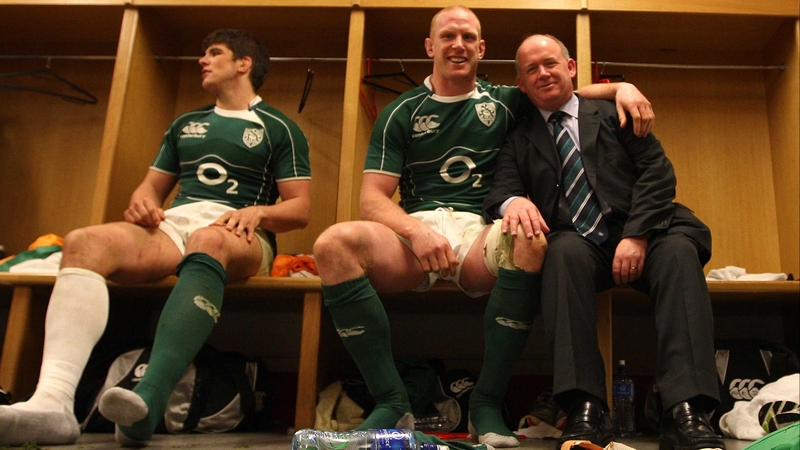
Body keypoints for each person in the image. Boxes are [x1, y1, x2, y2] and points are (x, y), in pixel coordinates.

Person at [312, 5, 654, 448]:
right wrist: (416, 232)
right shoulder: (401, 111)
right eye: (449, 36)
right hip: (414, 233)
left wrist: (621, 88)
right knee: (332, 244)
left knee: (531, 237)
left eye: (469, 37)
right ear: (430, 46)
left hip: (479, 232)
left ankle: (486, 404)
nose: (459, 45)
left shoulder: (504, 101)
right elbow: (372, 199)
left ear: (482, 47)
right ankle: (390, 401)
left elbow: (560, 92)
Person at [0, 28, 311, 447]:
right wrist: (142, 205)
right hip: (172, 226)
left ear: (244, 64)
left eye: (214, 53)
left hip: (238, 234)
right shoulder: (186, 123)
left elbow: (300, 209)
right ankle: (52, 402)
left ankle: (147, 401)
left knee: (209, 239)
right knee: (82, 241)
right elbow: (150, 189)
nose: (203, 60)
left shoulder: (279, 127)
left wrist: (259, 211)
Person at [483, 34, 725, 450]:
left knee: (681, 255)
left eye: (551, 63)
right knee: (560, 254)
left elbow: (658, 173)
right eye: (531, 70)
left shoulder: (615, 112)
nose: (543, 73)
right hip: (579, 242)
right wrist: (514, 200)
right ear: (520, 84)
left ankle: (686, 409)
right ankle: (584, 408)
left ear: (571, 68)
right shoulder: (518, 138)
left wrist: (636, 235)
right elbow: (498, 192)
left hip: (648, 230)